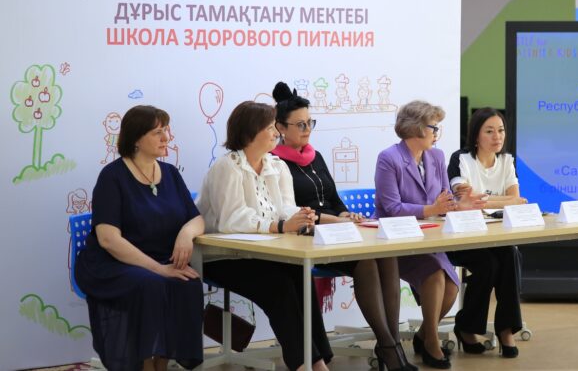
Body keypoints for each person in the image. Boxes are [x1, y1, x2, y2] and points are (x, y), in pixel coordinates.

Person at [271, 82, 415, 371]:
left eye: (310, 122)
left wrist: (346, 213)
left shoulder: (316, 156)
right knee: (366, 261)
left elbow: (334, 199)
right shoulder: (274, 162)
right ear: (280, 128)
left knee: (386, 254)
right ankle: (387, 346)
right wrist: (336, 220)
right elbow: (291, 211)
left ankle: (392, 341)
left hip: (337, 230)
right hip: (306, 235)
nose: (307, 129)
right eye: (300, 124)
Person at [196, 101, 330, 371]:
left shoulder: (277, 166)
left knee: (299, 274)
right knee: (278, 286)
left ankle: (318, 360)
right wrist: (279, 226)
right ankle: (304, 364)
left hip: (262, 254)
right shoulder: (227, 167)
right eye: (269, 128)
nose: (276, 133)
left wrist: (300, 216)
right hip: (221, 258)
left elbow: (285, 208)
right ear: (249, 133)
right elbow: (232, 219)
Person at [75, 105, 205, 371]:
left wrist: (186, 233)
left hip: (158, 260)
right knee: (152, 285)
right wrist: (159, 269)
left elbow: (197, 218)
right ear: (136, 138)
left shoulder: (170, 173)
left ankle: (161, 364)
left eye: (166, 130)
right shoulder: (112, 176)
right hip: (111, 263)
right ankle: (144, 365)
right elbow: (108, 240)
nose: (166, 138)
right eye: (158, 132)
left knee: (188, 284)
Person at [374, 100, 485, 369]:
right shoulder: (389, 158)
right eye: (434, 127)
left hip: (431, 238)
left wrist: (461, 205)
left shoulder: (436, 156)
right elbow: (391, 208)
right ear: (416, 128)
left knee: (452, 286)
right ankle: (432, 343)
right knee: (435, 275)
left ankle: (424, 334)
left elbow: (444, 201)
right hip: (397, 240)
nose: (437, 133)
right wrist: (430, 209)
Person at [446, 107, 525, 358]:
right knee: (488, 264)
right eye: (489, 131)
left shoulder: (507, 161)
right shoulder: (461, 159)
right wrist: (504, 200)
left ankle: (506, 329)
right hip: (463, 237)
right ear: (476, 135)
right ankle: (467, 327)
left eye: (500, 130)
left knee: (511, 255)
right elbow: (467, 201)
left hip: (496, 236)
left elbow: (517, 200)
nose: (497, 137)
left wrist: (487, 200)